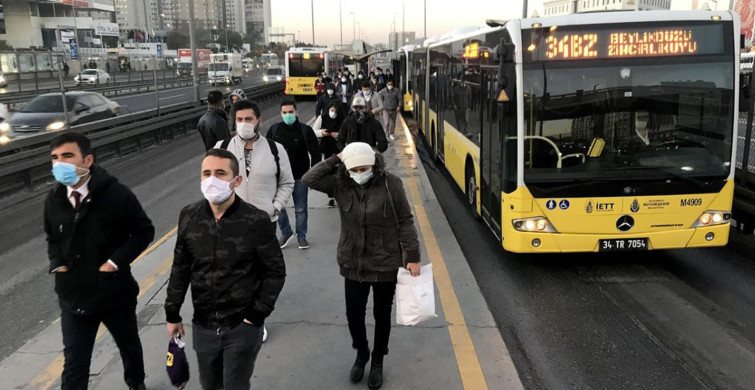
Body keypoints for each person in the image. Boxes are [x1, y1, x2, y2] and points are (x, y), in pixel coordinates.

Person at [302, 142, 421, 390]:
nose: (359, 174)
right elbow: (308, 179)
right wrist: (336, 157)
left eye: (364, 168)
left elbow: (406, 221)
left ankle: (377, 359)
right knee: (354, 315)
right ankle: (362, 352)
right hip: (352, 260)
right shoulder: (340, 184)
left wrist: (412, 256)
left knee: (381, 314)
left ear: (375, 165)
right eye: (353, 169)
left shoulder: (391, 184)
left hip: (385, 261)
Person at [165, 148, 286, 390]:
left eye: (221, 173)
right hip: (203, 325)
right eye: (206, 173)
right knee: (209, 384)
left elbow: (275, 272)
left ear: (236, 180)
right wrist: (172, 313)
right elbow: (181, 266)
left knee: (235, 385)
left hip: (242, 326)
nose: (212, 179)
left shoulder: (255, 220)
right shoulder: (189, 216)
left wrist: (255, 316)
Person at [44, 133, 154, 390]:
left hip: (113, 293)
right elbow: (52, 237)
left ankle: (136, 382)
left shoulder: (116, 194)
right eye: (55, 158)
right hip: (73, 297)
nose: (60, 163)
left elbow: (143, 231)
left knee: (128, 344)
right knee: (75, 362)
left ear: (88, 159)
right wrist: (57, 263)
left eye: (68, 156)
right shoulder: (54, 199)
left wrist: (114, 263)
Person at [215, 99, 294, 343]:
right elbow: (211, 182)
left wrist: (276, 207)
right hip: (230, 224)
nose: (244, 124)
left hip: (264, 223)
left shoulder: (275, 149)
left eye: (249, 119)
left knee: (258, 275)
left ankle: (255, 321)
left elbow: (287, 182)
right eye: (239, 120)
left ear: (259, 120)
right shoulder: (223, 147)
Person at [266, 100, 321, 249]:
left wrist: (312, 174)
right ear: (281, 114)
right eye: (284, 113)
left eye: (290, 112)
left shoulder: (305, 130)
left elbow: (315, 153)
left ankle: (301, 236)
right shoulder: (274, 130)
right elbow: (266, 153)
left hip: (300, 176)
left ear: (296, 112)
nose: (288, 115)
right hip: (279, 178)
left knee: (301, 208)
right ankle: (285, 232)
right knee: (278, 207)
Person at [312, 100, 344, 208]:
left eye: (335, 111)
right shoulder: (322, 117)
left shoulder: (343, 118)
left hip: (340, 149)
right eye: (331, 110)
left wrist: (339, 135)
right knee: (329, 173)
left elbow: (349, 132)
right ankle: (331, 198)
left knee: (340, 172)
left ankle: (341, 196)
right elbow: (313, 131)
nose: (333, 113)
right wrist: (322, 133)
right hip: (327, 148)